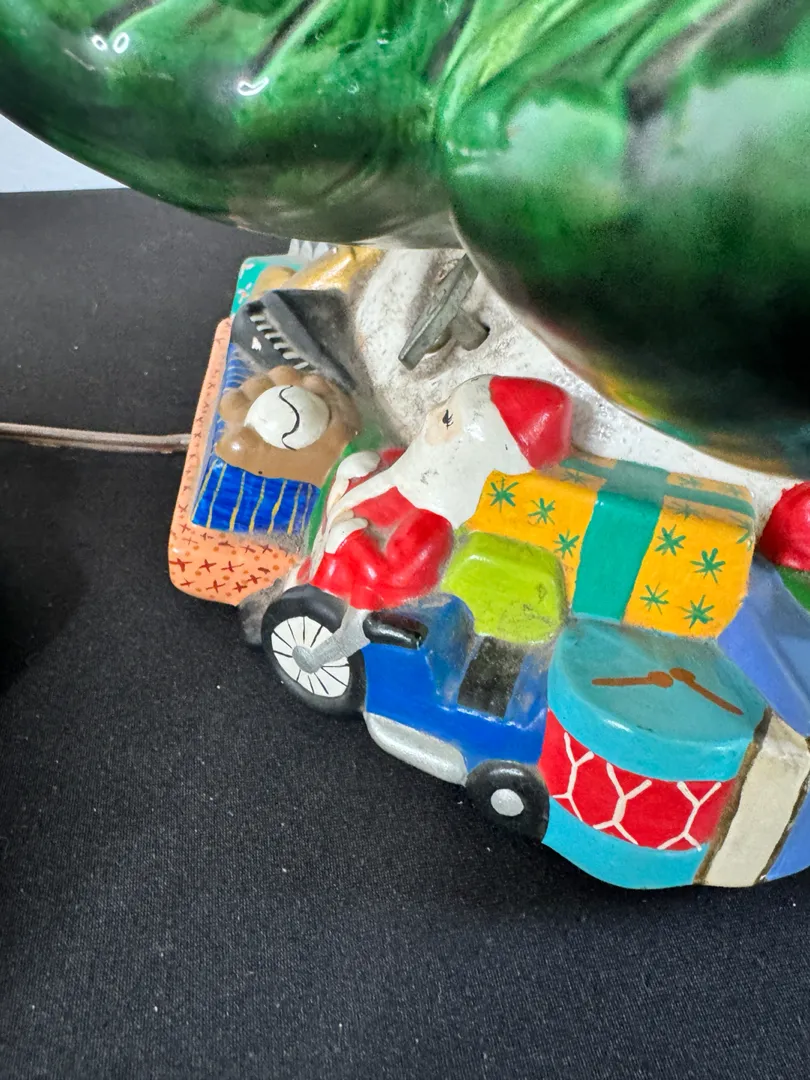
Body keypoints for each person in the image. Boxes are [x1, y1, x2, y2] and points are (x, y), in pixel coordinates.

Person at [300, 374, 573, 611]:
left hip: (326, 606)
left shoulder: (428, 527)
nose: (431, 413)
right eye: (444, 404)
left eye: (446, 418)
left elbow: (393, 584)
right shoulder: (401, 463)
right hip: (310, 576)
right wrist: (348, 476)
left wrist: (354, 543)